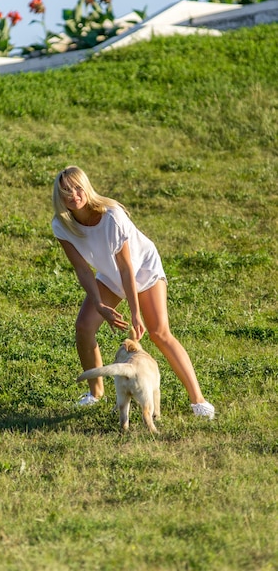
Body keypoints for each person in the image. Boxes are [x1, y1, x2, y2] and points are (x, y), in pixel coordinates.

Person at [51, 165, 215, 419]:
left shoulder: (112, 216)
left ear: (86, 187)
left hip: (142, 269)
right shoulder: (62, 225)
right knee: (83, 327)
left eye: (77, 188)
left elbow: (127, 268)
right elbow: (83, 270)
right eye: (66, 191)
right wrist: (98, 304)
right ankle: (95, 394)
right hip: (109, 273)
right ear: (59, 196)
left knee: (159, 333)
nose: (73, 195)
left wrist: (135, 312)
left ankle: (198, 400)